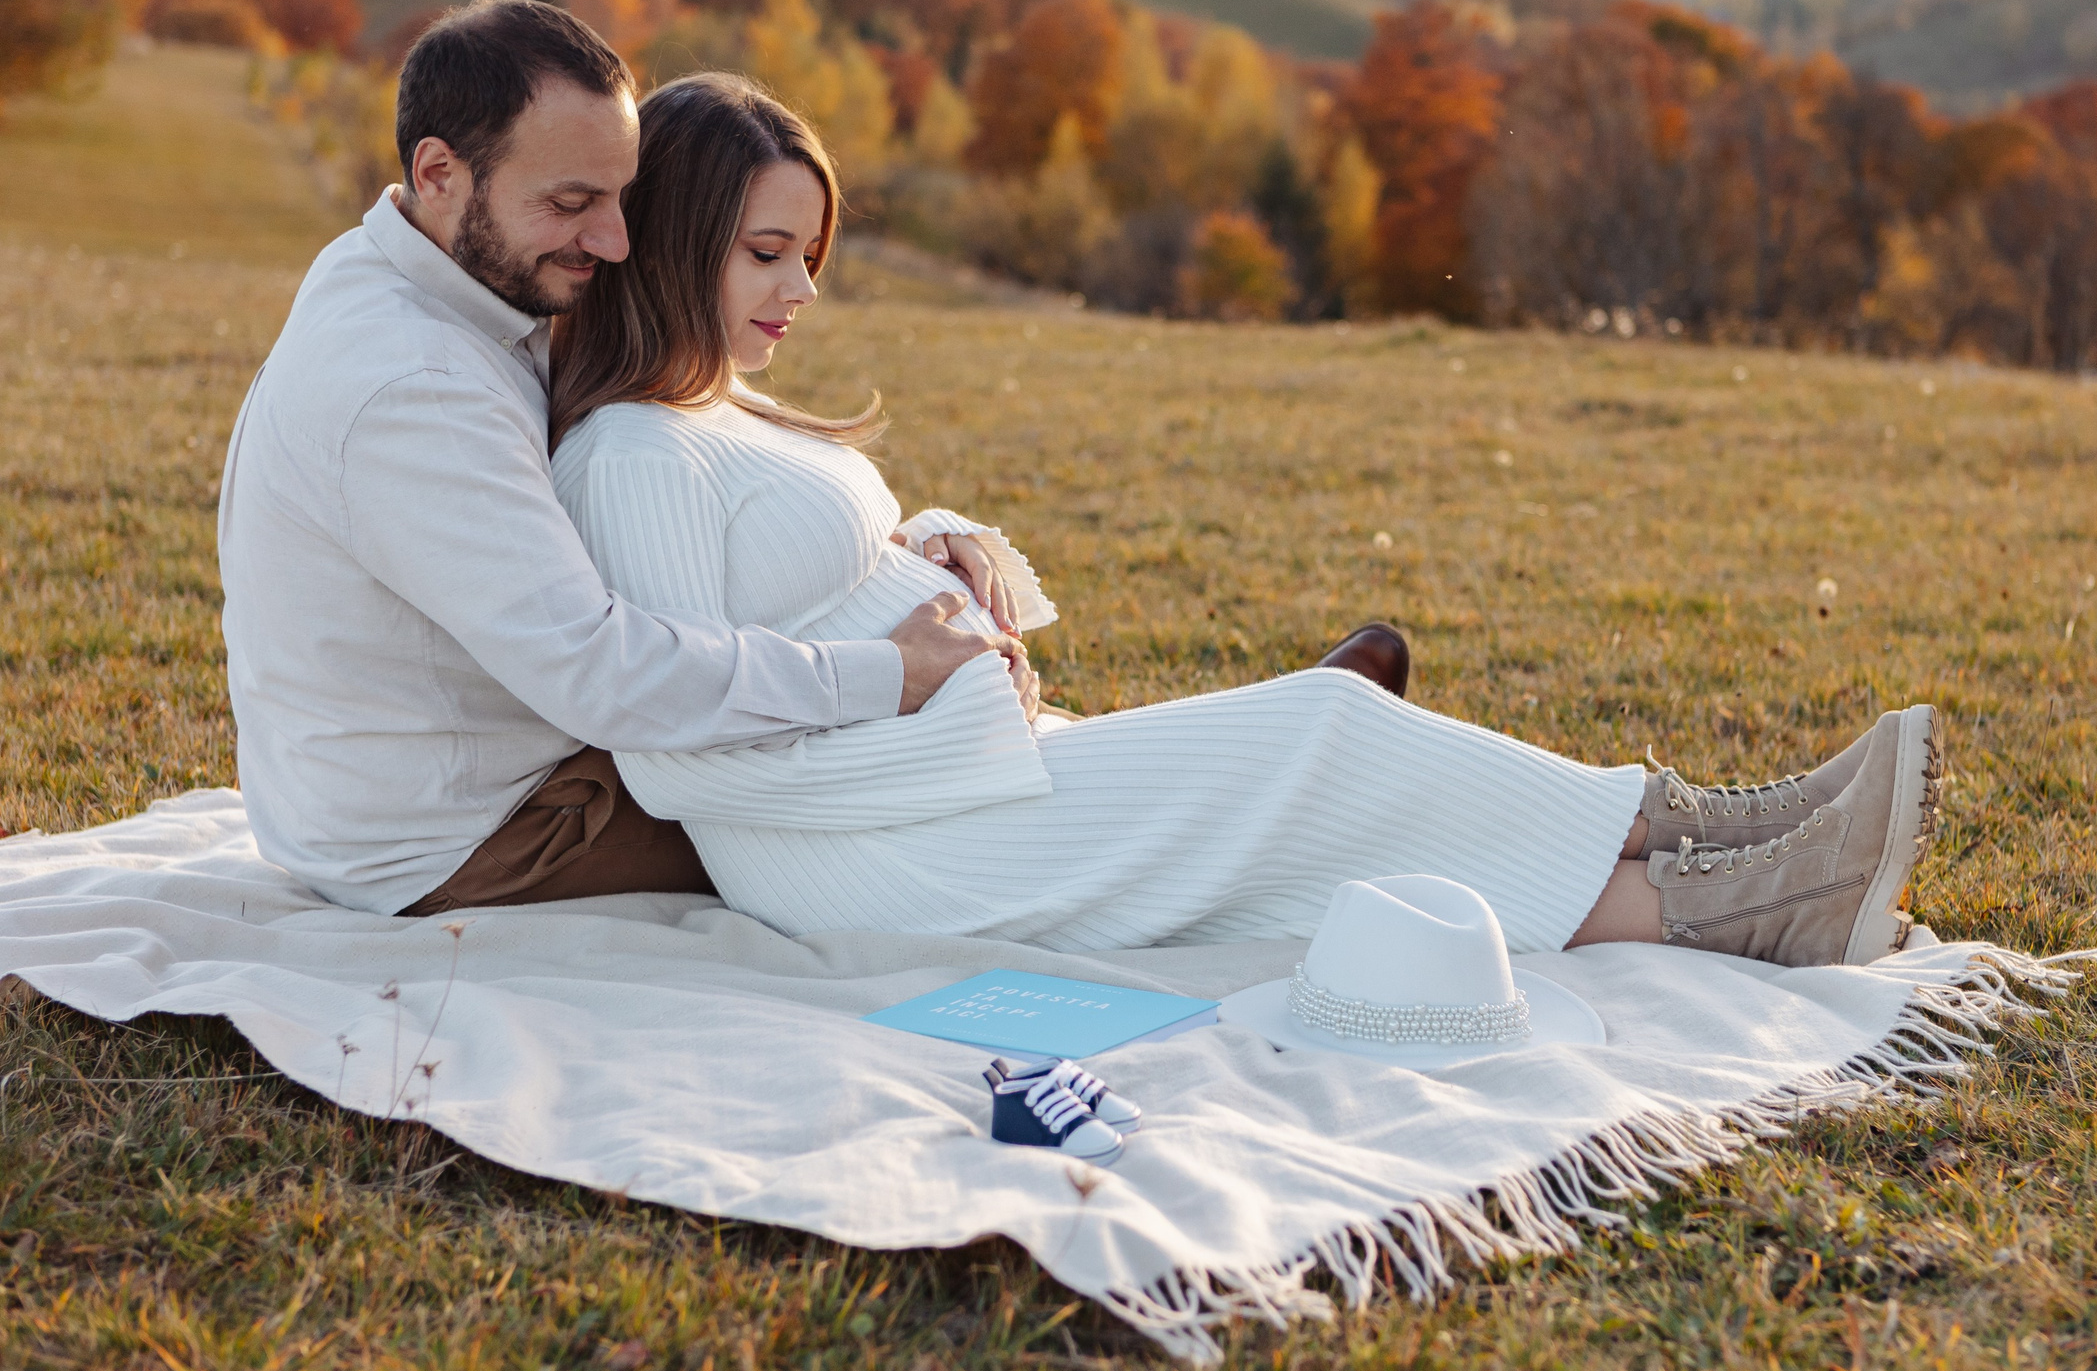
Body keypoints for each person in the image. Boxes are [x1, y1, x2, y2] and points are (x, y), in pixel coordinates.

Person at [547, 72, 1944, 964]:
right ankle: (1724, 864)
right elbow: (685, 767)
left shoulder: (721, 412)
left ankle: (1742, 870)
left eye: (813, 256)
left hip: (964, 787)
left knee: (1317, 809)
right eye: (767, 255)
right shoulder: (628, 454)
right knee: (1320, 735)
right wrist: (939, 710)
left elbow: (811, 575)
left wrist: (936, 547)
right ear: (673, 242)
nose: (802, 291)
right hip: (882, 857)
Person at [217, 0, 1405, 921]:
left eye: (625, 197)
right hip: (476, 828)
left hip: (511, 753)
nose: (618, 240)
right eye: (574, 200)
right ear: (438, 173)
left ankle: (1259, 747)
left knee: (915, 740)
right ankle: (1267, 767)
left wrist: (916, 565)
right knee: (903, 799)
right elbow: (602, 671)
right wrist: (885, 670)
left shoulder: (447, 269)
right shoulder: (409, 383)